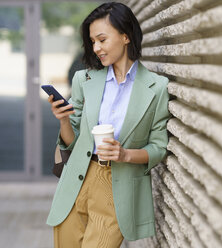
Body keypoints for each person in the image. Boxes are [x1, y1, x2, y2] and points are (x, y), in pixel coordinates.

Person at [46, 2, 170, 247]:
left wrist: (124, 154)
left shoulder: (157, 87)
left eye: (102, 39)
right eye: (92, 41)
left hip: (118, 187)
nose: (96, 47)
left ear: (126, 36)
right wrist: (63, 120)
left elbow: (158, 147)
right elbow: (73, 142)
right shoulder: (85, 79)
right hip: (77, 182)